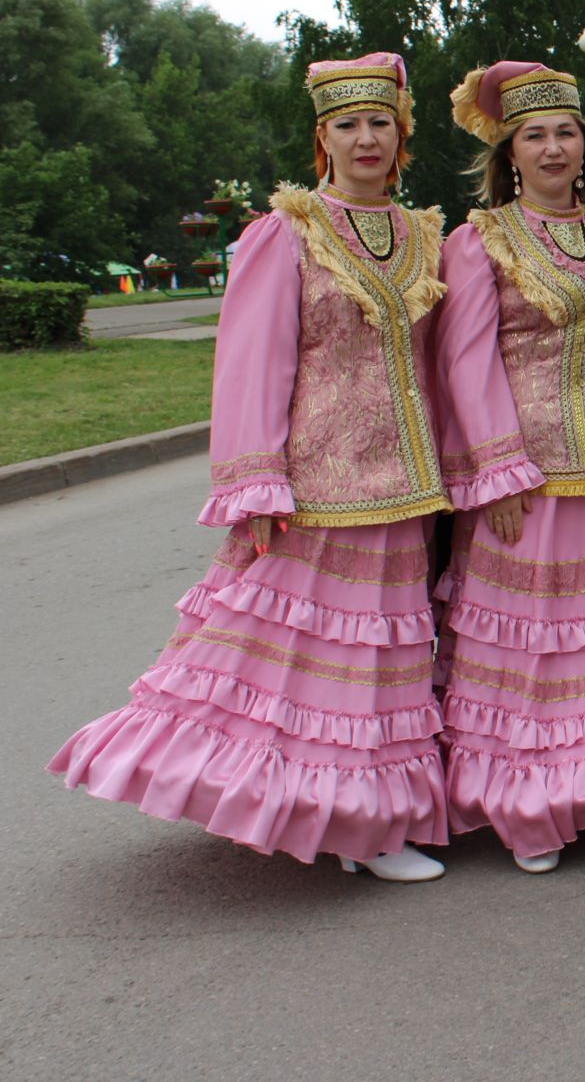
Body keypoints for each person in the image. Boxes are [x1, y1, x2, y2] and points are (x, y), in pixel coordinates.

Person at [50, 53, 454, 881]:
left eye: (381, 122)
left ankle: (361, 812)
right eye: (348, 125)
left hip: (409, 483)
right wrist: (254, 478)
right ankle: (347, 823)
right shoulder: (286, 233)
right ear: (322, 140)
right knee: (300, 659)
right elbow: (250, 360)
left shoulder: (424, 235)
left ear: (402, 134)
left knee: (382, 658)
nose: (366, 138)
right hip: (320, 481)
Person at [432, 61, 585, 872]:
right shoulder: (479, 239)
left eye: (566, 133)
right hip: (520, 473)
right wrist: (493, 468)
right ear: (510, 154)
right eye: (536, 136)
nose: (554, 148)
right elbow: (465, 358)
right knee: (522, 639)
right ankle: (522, 800)